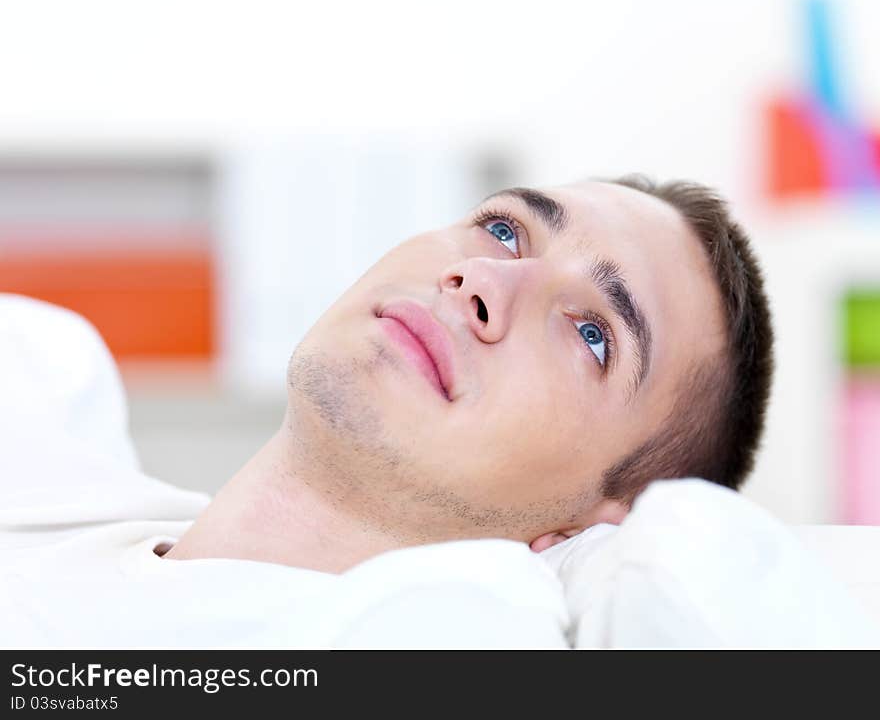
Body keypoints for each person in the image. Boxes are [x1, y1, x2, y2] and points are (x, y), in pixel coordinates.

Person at [0, 174, 773, 647]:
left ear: (596, 522)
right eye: (504, 230)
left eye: (593, 335)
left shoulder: (431, 642)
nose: (481, 280)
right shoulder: (40, 400)